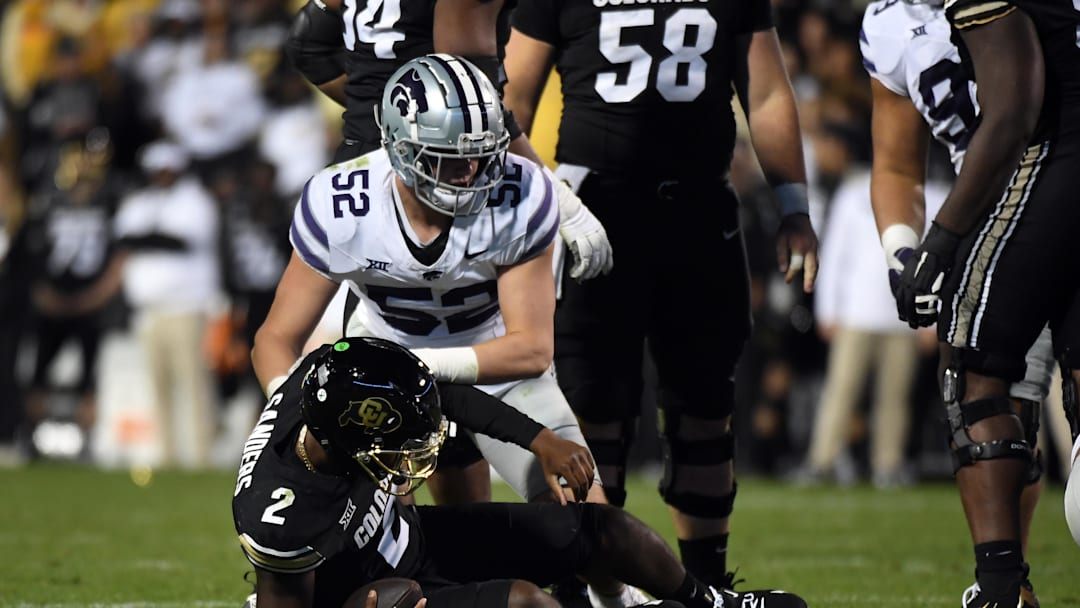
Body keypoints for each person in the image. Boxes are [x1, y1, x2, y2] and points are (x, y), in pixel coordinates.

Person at [500, 0, 819, 593]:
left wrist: (794, 207)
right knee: (592, 417)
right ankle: (589, 585)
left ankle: (706, 586)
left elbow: (766, 92)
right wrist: (540, 207)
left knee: (704, 410)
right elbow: (508, 97)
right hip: (594, 211)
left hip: (698, 210)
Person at [233, 335, 808, 608]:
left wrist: (539, 440)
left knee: (596, 529)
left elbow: (446, 398)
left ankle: (711, 604)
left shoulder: (323, 383)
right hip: (365, 595)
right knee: (529, 604)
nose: (411, 451)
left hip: (414, 543)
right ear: (348, 441)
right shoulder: (283, 515)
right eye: (394, 442)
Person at [860, 0, 1068, 571]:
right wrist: (902, 250)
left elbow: (1016, 114)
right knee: (991, 402)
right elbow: (897, 165)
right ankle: (1009, 582)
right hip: (981, 221)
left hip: (1050, 190)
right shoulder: (887, 22)